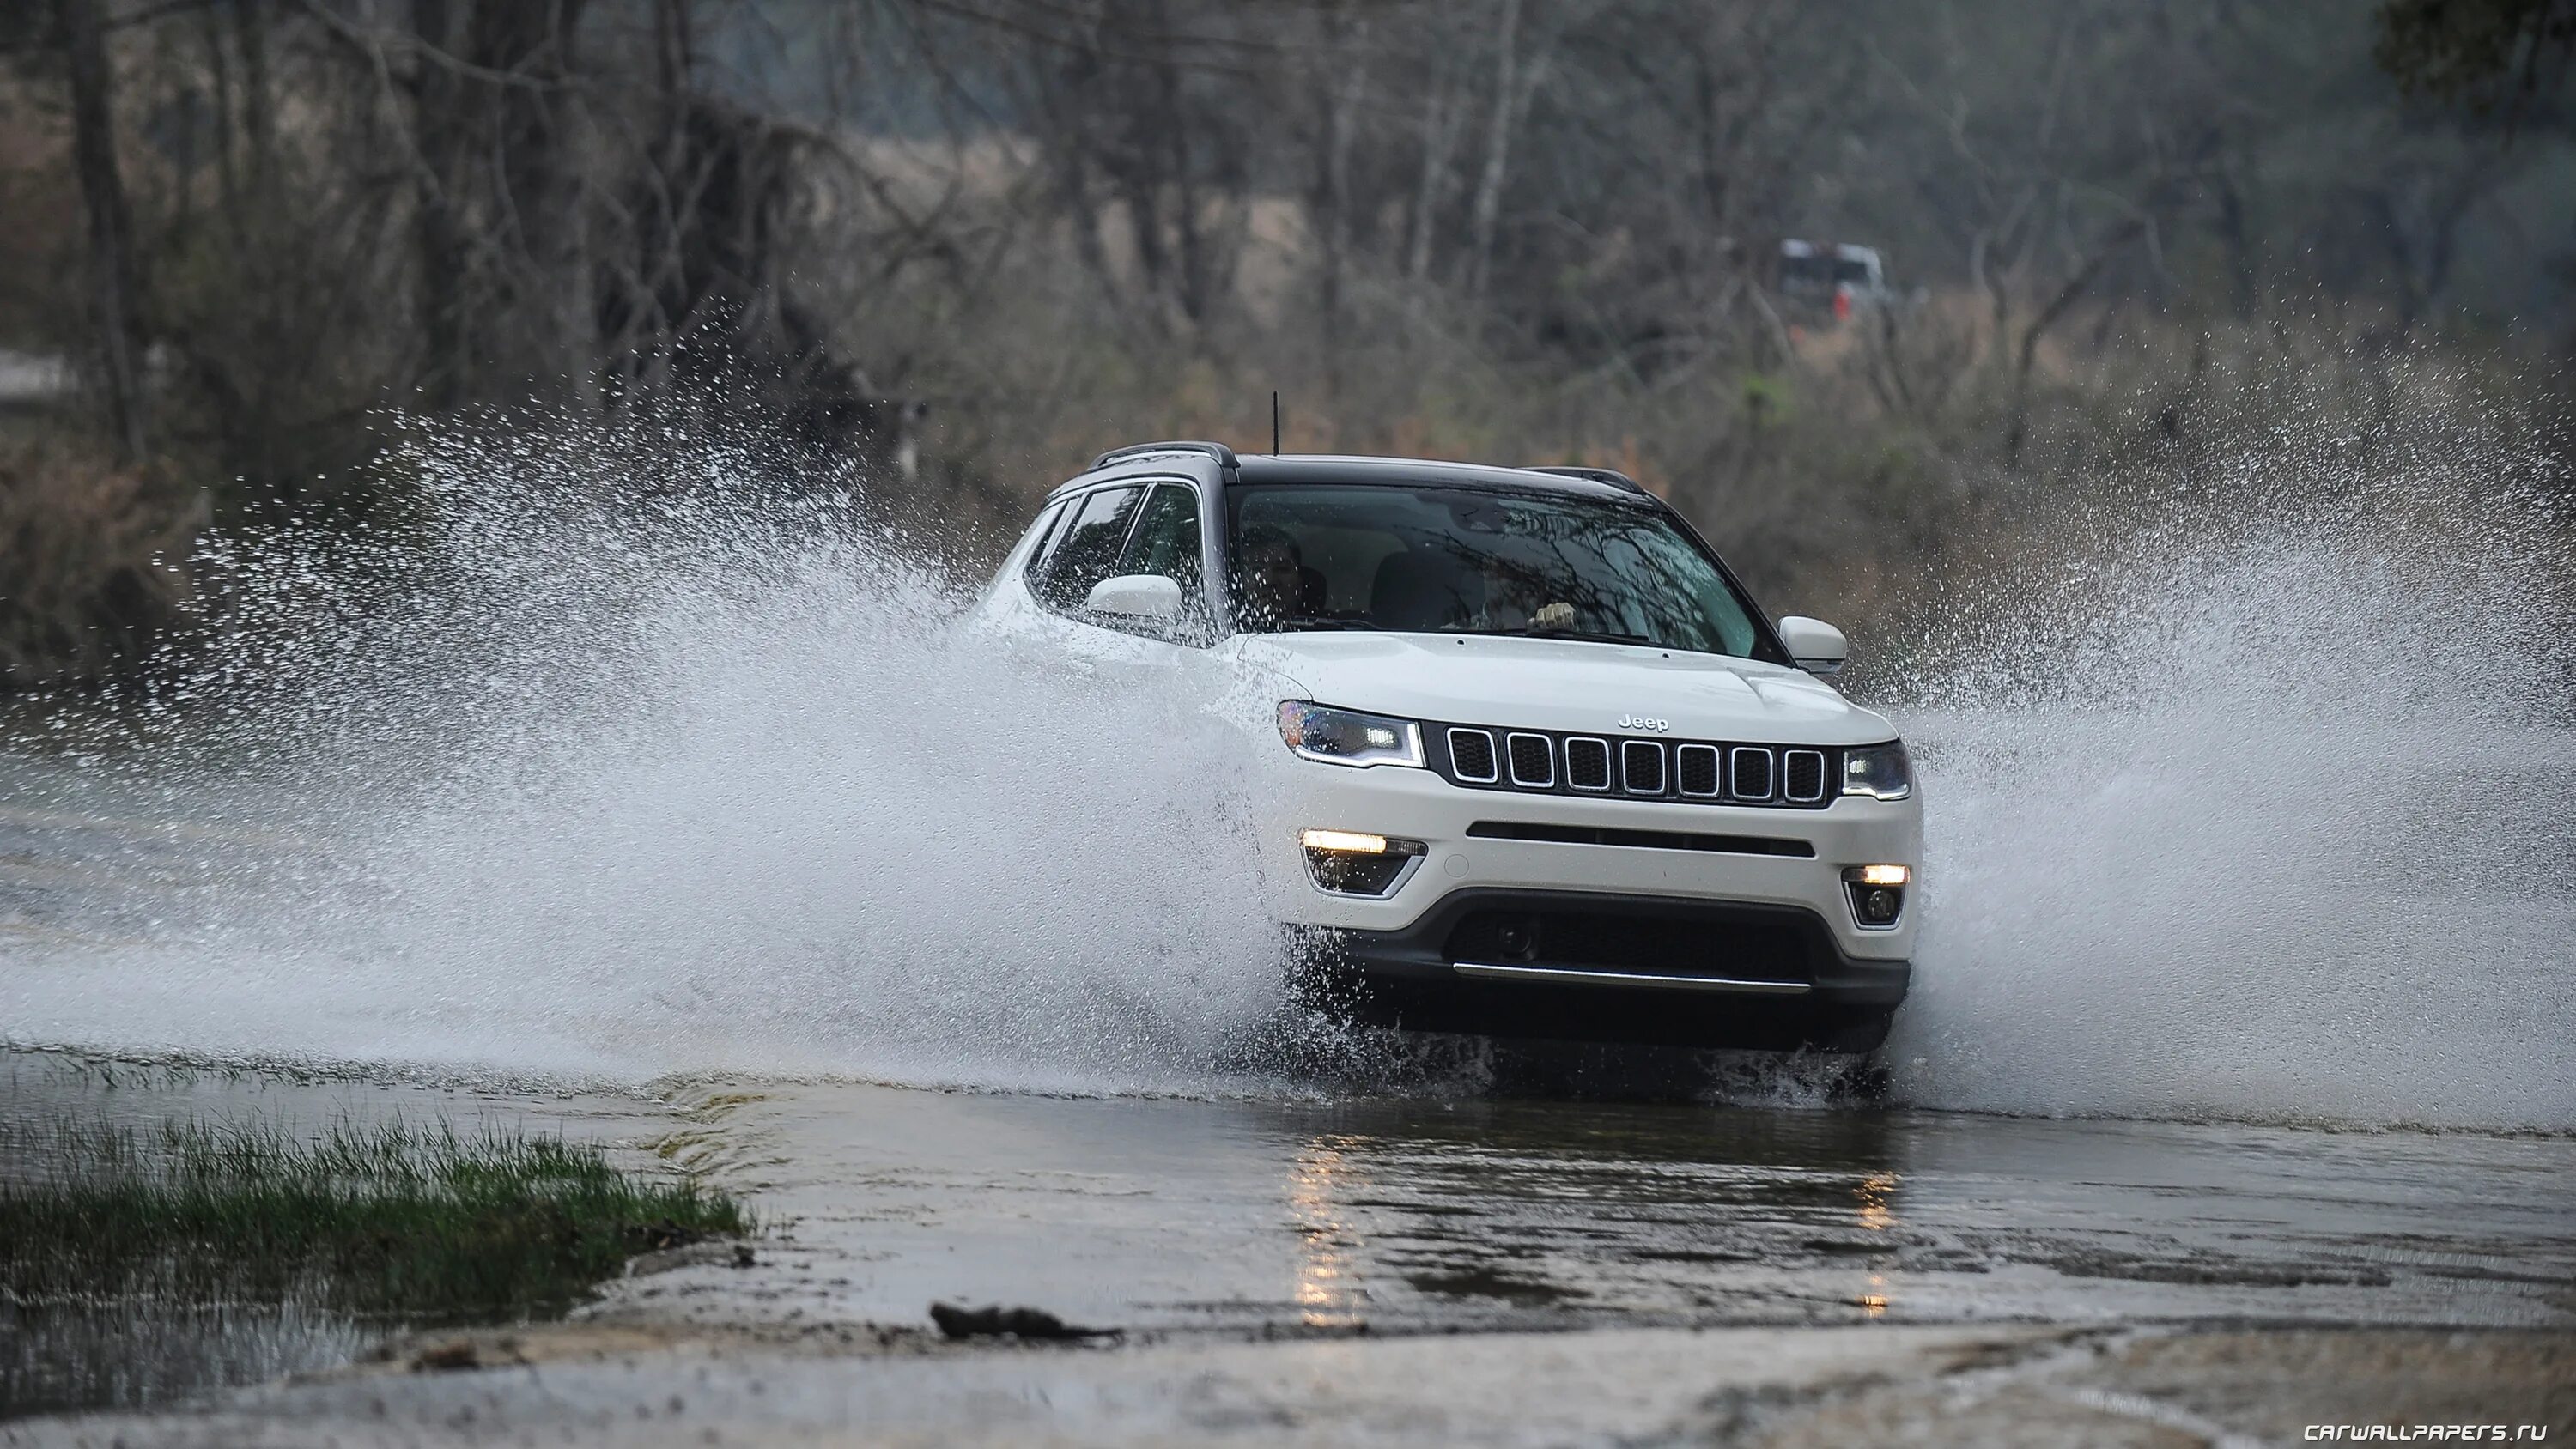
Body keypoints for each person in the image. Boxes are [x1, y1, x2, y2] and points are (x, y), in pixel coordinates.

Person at [1233, 525, 1306, 628]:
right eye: (1256, 569)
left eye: (1282, 569)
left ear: (1300, 584)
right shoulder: (1225, 634)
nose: (1268, 580)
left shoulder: (1330, 634)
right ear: (1240, 582)